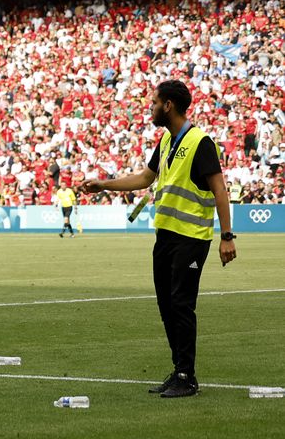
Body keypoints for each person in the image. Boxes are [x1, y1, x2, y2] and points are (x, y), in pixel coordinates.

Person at [82, 80, 237, 398]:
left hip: (191, 237)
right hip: (165, 237)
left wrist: (226, 236)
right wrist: (104, 184)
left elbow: (220, 189)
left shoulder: (200, 141)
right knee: (167, 305)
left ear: (168, 105)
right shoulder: (166, 142)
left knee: (181, 304)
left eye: (155, 102)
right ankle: (178, 369)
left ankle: (187, 376)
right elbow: (144, 178)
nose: (151, 107)